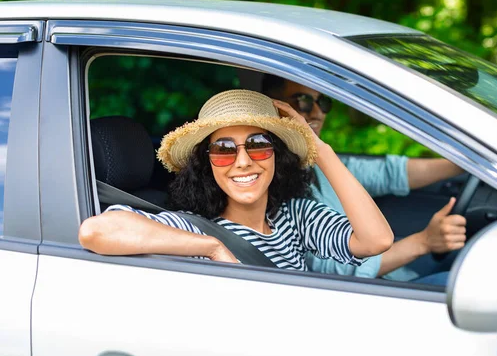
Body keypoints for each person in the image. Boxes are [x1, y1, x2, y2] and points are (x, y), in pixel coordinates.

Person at [79, 89, 394, 270]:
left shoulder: (296, 218)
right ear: (207, 164)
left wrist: (319, 148)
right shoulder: (193, 227)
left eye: (258, 145)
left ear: (277, 155)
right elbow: (96, 231)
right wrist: (213, 246)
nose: (243, 161)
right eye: (224, 149)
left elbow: (376, 241)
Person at [262, 75, 467, 284]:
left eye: (323, 102)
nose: (317, 112)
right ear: (274, 107)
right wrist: (424, 242)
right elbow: (330, 270)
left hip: (391, 274)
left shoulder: (321, 166)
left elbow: (388, 173)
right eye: (302, 101)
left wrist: (465, 162)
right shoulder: (273, 193)